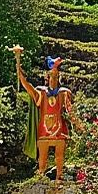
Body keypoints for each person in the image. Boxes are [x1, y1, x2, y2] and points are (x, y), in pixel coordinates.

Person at [12, 46, 78, 181]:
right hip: (44, 130)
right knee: (42, 160)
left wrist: (79, 126)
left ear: (59, 77)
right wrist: (18, 63)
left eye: (56, 75)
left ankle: (59, 179)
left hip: (59, 130)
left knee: (59, 158)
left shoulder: (64, 92)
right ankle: (39, 180)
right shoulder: (41, 92)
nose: (53, 78)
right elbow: (25, 84)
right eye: (51, 75)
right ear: (46, 77)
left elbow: (70, 111)